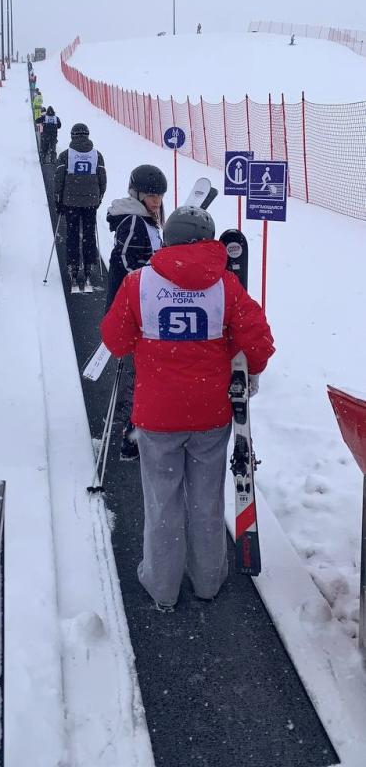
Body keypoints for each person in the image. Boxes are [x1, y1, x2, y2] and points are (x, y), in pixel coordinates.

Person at [101, 205, 274, 611]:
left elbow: (116, 342)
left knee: (162, 499)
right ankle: (208, 580)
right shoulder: (226, 285)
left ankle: (162, 584)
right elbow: (259, 342)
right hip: (210, 414)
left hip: (157, 416)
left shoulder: (138, 283)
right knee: (205, 498)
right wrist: (236, 355)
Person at [105, 164, 168, 460]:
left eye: (159, 196)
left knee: (141, 373)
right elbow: (128, 264)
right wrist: (159, 274)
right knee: (136, 374)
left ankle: (134, 431)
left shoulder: (147, 219)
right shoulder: (133, 221)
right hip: (133, 311)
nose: (156, 201)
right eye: (151, 195)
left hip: (144, 309)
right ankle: (128, 435)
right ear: (137, 194)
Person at [54, 123, 107, 289]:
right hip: (90, 202)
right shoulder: (96, 155)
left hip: (70, 202)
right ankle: (89, 264)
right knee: (89, 233)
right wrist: (99, 197)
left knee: (72, 233)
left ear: (72, 136)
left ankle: (73, 265)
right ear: (87, 135)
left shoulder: (65, 155)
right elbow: (102, 179)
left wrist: (58, 199)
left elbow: (58, 179)